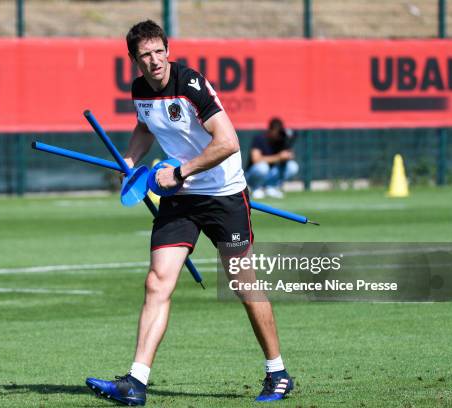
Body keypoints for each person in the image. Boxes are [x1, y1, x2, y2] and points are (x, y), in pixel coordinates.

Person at [85, 20, 293, 405]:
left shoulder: (190, 85)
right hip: (179, 197)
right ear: (134, 60)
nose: (154, 61)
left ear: (168, 50)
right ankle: (136, 382)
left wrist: (179, 171)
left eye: (159, 52)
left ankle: (278, 372)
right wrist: (130, 159)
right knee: (156, 282)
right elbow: (146, 127)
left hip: (223, 194)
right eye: (145, 55)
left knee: (243, 284)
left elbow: (228, 142)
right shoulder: (139, 90)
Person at [245, 118, 299, 199]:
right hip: (252, 175)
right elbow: (255, 159)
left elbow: (294, 134)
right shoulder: (259, 138)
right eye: (276, 132)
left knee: (292, 166)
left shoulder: (281, 140)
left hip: (270, 174)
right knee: (263, 167)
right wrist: (278, 157)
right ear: (270, 130)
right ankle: (255, 188)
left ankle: (271, 187)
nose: (278, 135)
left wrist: (287, 156)